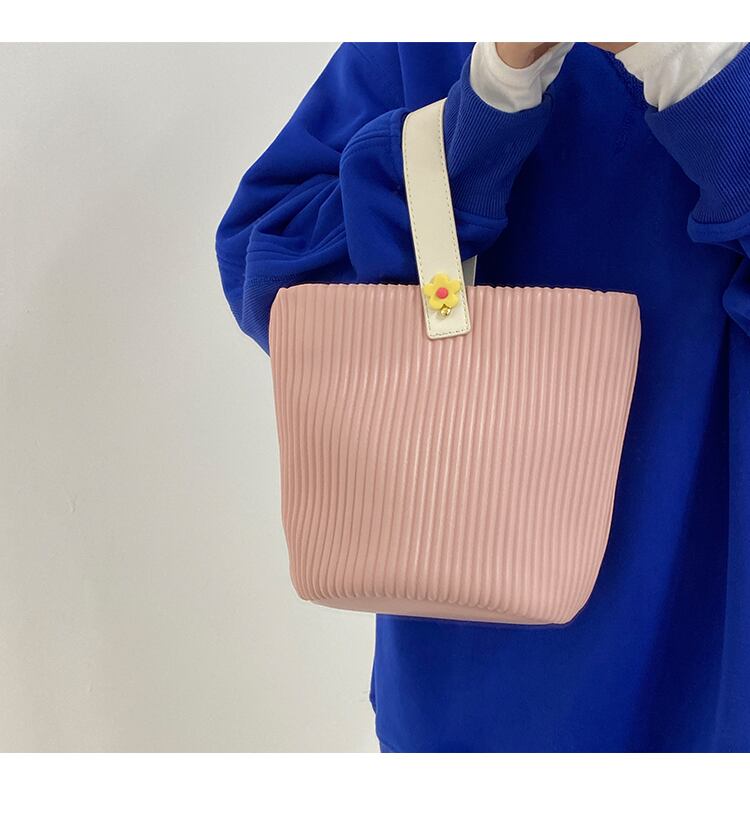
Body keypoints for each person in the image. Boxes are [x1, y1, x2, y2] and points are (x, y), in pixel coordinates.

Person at [216, 42, 750, 752]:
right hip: (479, 696)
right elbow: (271, 266)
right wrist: (490, 100)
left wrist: (695, 70)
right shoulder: (434, 36)